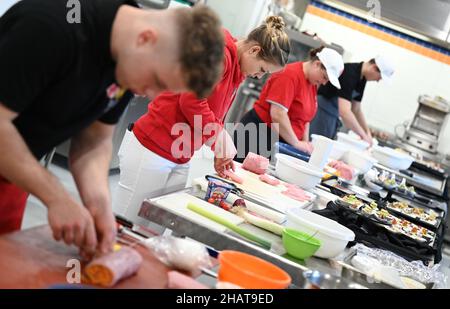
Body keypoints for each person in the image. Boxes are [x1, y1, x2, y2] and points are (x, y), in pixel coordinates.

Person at [0, 0, 225, 258]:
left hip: (11, 174)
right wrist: (56, 197)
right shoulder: (52, 27)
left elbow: (94, 141)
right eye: (157, 81)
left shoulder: (127, 58)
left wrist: (100, 206)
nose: (151, 95)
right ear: (145, 39)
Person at [113, 16, 291, 226]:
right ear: (254, 50)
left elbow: (213, 111)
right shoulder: (218, 57)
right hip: (152, 148)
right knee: (127, 223)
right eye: (262, 69)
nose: (259, 76)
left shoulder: (236, 69)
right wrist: (218, 138)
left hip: (179, 154)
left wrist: (219, 151)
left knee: (156, 227)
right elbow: (191, 101)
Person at [233, 47, 344, 161]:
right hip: (257, 135)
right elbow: (277, 114)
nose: (324, 83)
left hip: (278, 141)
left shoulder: (311, 83)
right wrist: (296, 143)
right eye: (324, 77)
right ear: (317, 64)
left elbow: (305, 120)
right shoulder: (289, 75)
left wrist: (304, 143)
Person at [309, 55, 395, 144]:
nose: (378, 80)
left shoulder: (362, 79)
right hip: (321, 112)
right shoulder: (349, 73)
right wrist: (363, 136)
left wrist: (367, 133)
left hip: (332, 116)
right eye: (379, 77)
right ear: (374, 68)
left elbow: (356, 109)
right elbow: (344, 111)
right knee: (314, 146)